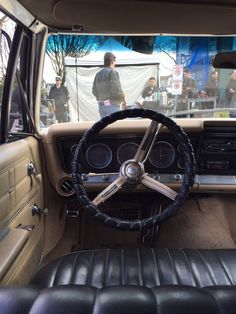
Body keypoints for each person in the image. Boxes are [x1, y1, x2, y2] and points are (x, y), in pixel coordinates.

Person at [92, 52, 126, 118]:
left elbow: (94, 90)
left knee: (104, 126)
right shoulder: (112, 72)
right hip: (112, 105)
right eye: (115, 61)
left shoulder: (98, 74)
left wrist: (101, 98)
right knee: (113, 127)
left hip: (101, 105)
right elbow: (116, 90)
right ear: (112, 62)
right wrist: (122, 96)